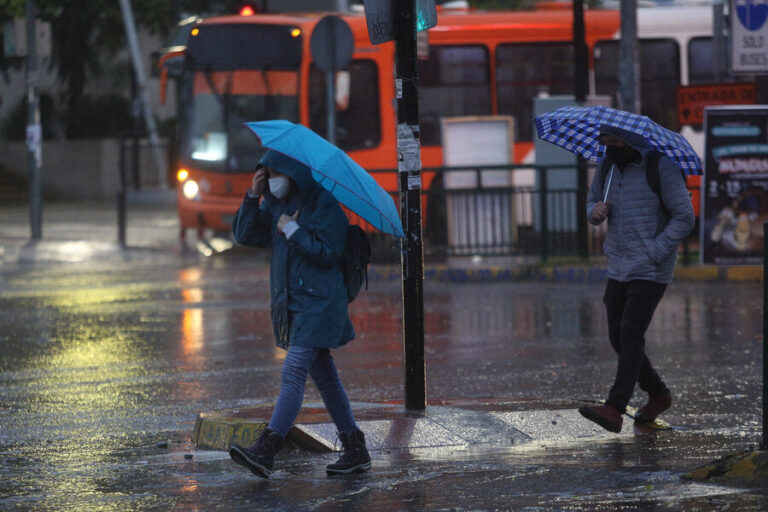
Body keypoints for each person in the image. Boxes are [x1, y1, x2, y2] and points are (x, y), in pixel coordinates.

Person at [228, 150, 371, 478]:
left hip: (320, 303)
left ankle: (266, 449)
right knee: (326, 379)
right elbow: (246, 234)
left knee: (293, 372)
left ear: (293, 172)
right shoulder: (277, 202)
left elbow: (329, 251)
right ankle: (356, 450)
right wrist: (252, 195)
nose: (271, 180)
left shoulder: (323, 202)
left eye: (275, 173)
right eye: (266, 174)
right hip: (295, 304)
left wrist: (294, 230)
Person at [578, 125, 695, 433]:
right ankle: (658, 394)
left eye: (614, 142)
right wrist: (595, 212)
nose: (609, 149)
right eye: (604, 143)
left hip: (651, 268)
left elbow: (684, 216)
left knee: (630, 332)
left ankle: (614, 408)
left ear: (629, 141)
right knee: (617, 336)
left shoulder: (661, 167)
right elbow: (592, 201)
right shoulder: (608, 167)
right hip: (619, 264)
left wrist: (655, 250)